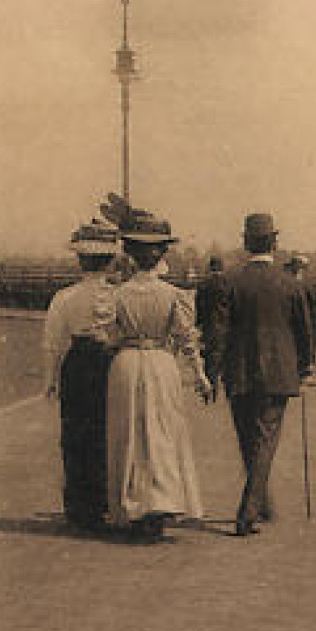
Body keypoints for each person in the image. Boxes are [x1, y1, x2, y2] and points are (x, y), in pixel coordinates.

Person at [104, 210, 214, 541]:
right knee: (162, 433)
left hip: (126, 364)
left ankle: (132, 507)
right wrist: (200, 376)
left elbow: (107, 336)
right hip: (162, 364)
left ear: (129, 254)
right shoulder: (173, 295)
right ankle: (159, 504)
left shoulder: (116, 295)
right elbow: (187, 340)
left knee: (130, 434)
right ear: (162, 254)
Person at [213, 213, 314, 536]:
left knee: (248, 440)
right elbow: (305, 334)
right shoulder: (290, 284)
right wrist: (303, 367)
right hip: (278, 374)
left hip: (239, 372)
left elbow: (218, 333)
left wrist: (211, 371)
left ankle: (260, 503)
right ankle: (250, 510)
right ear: (275, 242)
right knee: (265, 440)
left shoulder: (229, 282)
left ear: (245, 243)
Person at [42, 218, 122, 532]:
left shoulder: (64, 297)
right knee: (106, 428)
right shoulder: (117, 295)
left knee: (75, 431)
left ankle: (78, 505)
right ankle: (102, 498)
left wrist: (49, 379)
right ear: (110, 260)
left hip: (77, 363)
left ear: (80, 260)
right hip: (108, 362)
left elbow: (52, 341)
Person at [194, 256, 231, 386]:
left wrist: (198, 322)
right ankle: (223, 377)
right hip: (225, 323)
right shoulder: (228, 282)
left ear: (210, 267)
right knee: (224, 350)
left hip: (209, 323)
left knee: (209, 352)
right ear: (222, 267)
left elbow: (198, 304)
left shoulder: (203, 283)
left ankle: (211, 379)